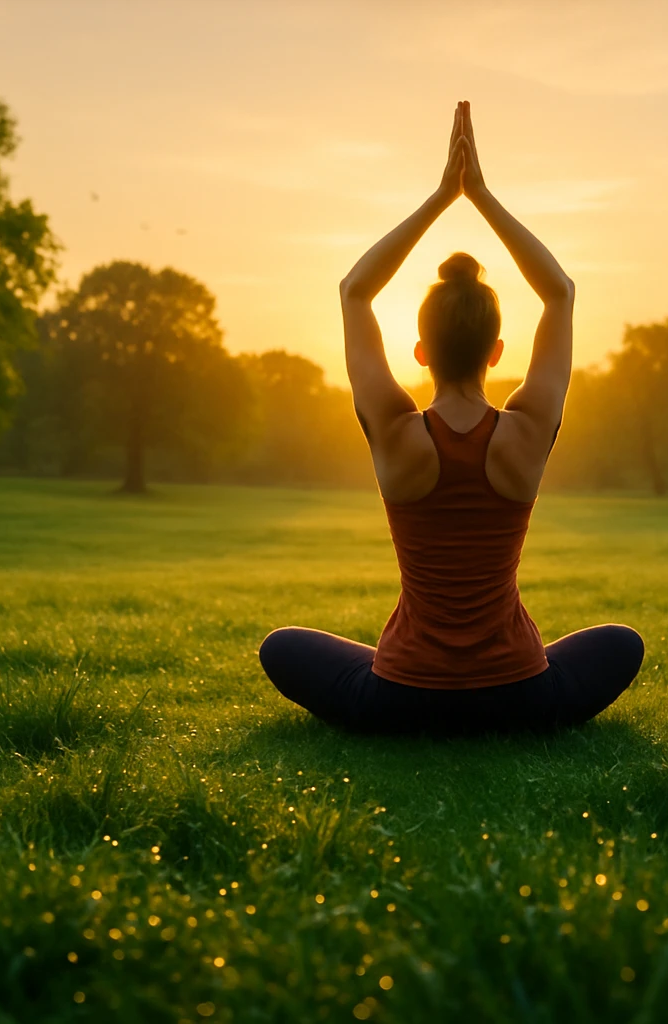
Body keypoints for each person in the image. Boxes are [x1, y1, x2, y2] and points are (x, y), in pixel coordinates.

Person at [259, 101, 643, 735]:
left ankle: (410, 684)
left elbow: (355, 290)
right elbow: (560, 292)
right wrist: (481, 196)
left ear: (420, 353)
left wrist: (442, 196)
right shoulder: (523, 433)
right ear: (497, 353)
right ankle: (503, 691)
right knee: (621, 641)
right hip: (520, 696)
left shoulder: (397, 432)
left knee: (282, 646)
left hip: (403, 699)